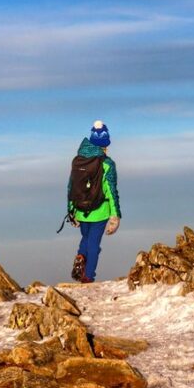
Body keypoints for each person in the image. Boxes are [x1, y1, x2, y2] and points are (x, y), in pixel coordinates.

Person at [67, 120, 121, 283]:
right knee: (94, 244)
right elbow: (111, 191)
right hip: (100, 210)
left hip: (81, 210)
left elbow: (71, 187)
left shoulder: (78, 161)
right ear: (105, 144)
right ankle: (88, 277)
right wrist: (115, 215)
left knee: (86, 238)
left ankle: (81, 257)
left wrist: (71, 210)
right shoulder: (107, 164)